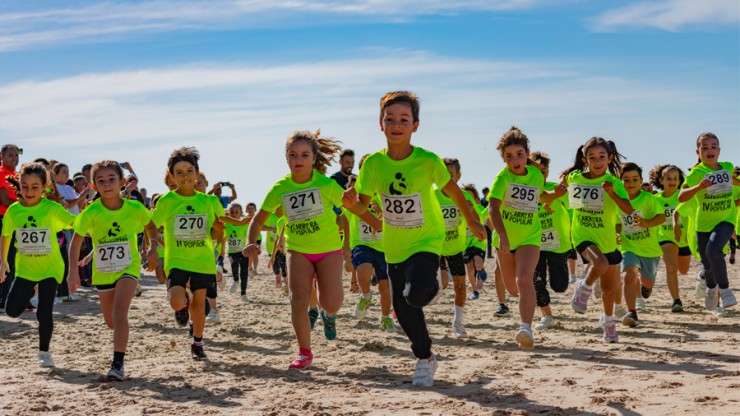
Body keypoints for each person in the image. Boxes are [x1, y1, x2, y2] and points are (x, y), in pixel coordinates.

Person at [342, 91, 486, 387]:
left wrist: (472, 219)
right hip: (394, 245)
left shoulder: (428, 160)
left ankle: (429, 286)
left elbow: (453, 191)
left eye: (404, 119)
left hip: (427, 239)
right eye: (390, 118)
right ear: (380, 124)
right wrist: (351, 204)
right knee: (405, 308)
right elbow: (364, 206)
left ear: (415, 125)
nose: (396, 124)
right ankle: (425, 357)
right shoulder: (373, 166)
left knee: (416, 293)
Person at [245, 130, 349, 370]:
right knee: (298, 300)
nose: (298, 159)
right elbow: (258, 220)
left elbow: (348, 212)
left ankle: (328, 315)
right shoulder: (280, 188)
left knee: (331, 303)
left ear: (314, 158)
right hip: (298, 250)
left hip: (328, 250)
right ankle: (304, 352)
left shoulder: (326, 185)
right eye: (293, 155)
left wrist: (348, 246)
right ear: (286, 158)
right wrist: (251, 241)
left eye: (304, 154)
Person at [67, 160, 159, 380]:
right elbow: (76, 242)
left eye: (112, 179)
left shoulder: (135, 208)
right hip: (104, 271)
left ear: (122, 182)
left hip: (128, 267)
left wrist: (153, 246)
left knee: (119, 314)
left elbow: (150, 225)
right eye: (101, 181)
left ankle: (117, 365)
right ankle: (127, 296)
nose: (107, 185)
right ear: (93, 186)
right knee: (111, 321)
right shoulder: (91, 213)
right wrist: (73, 271)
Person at [151, 147, 227, 361]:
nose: (185, 176)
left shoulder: (209, 202)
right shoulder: (167, 201)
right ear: (172, 176)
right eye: (179, 172)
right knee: (176, 302)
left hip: (202, 259)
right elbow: (152, 226)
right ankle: (182, 303)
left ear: (197, 173)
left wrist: (219, 231)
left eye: (189, 171)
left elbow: (215, 234)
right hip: (177, 259)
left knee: (199, 302)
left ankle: (198, 343)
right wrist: (153, 248)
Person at [0, 162, 75, 367]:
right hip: (26, 268)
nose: (29, 191)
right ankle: (32, 289)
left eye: (35, 187)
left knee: (44, 312)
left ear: (44, 187)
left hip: (50, 268)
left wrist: (92, 218)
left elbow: (73, 223)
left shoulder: (51, 208)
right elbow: (6, 234)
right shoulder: (14, 211)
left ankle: (44, 352)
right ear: (19, 185)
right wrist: (2, 260)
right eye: (25, 186)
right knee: (12, 310)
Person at [488, 127, 556, 348]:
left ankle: (525, 329)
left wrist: (556, 195)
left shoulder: (536, 175)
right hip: (506, 239)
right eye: (509, 156)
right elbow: (493, 209)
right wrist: (503, 235)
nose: (515, 160)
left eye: (519, 154)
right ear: (502, 158)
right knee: (512, 289)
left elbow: (539, 197)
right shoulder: (503, 178)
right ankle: (526, 307)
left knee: (524, 279)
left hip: (530, 235)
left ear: (527, 153)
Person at [563, 137, 633, 343]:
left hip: (607, 239)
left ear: (609, 158)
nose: (597, 161)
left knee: (609, 289)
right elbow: (559, 190)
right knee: (599, 263)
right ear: (585, 160)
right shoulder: (575, 177)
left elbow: (628, 209)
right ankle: (583, 288)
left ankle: (608, 322)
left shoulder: (615, 183)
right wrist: (550, 198)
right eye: (591, 157)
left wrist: (611, 194)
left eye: (602, 156)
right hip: (582, 234)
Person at [678, 132, 739, 310]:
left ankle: (726, 290)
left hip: (726, 219)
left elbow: (735, 182)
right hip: (703, 224)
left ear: (719, 150)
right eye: (705, 147)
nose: (709, 150)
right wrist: (699, 187)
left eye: (713, 147)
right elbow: (682, 197)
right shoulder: (697, 172)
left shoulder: (727, 167)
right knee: (707, 265)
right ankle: (712, 289)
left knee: (714, 250)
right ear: (698, 152)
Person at [346, 168, 395, 332]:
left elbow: (394, 216)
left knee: (385, 287)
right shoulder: (351, 201)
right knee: (363, 272)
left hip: (383, 247)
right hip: (362, 243)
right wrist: (344, 248)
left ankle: (385, 318)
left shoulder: (380, 196)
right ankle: (365, 295)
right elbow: (342, 222)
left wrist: (381, 213)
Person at [617, 162, 665, 327]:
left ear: (641, 180)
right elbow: (615, 222)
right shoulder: (617, 200)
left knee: (647, 281)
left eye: (635, 179)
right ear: (619, 181)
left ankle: (647, 287)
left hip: (650, 249)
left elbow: (661, 217)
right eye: (626, 179)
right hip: (628, 246)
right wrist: (616, 232)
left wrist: (645, 223)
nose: (630, 183)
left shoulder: (648, 199)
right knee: (629, 275)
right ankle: (632, 312)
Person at [529, 151, 572, 330]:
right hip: (533, 243)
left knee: (560, 286)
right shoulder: (526, 191)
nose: (541, 173)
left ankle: (560, 283)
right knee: (536, 280)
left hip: (558, 244)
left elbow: (574, 209)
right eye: (536, 170)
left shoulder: (558, 189)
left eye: (544, 170)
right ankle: (546, 315)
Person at [436, 158, 476, 339]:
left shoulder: (464, 197)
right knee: (439, 286)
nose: (447, 179)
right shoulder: (433, 196)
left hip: (455, 248)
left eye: (450, 175)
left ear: (458, 176)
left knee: (460, 286)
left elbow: (475, 219)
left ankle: (458, 322)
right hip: (434, 247)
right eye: (443, 175)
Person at [649, 164, 690, 312]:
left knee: (684, 270)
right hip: (665, 237)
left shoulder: (684, 196)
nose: (672, 181)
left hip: (685, 239)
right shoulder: (655, 199)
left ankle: (702, 278)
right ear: (661, 180)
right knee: (671, 267)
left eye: (675, 178)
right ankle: (676, 300)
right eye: (668, 178)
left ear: (680, 181)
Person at [461, 184, 491, 301]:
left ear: (475, 199)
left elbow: (488, 213)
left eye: (471, 198)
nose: (468, 200)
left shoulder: (479, 209)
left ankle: (481, 270)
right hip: (465, 243)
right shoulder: (460, 210)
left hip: (478, 241)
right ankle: (474, 291)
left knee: (477, 263)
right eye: (465, 197)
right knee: (469, 268)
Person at [0, 144, 20, 308]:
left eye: (16, 155)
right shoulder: (1, 173)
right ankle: (3, 300)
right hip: (3, 219)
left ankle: (8, 298)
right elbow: (4, 200)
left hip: (14, 221)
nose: (14, 158)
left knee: (12, 261)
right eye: (10, 155)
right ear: (2, 156)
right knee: (5, 260)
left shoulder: (15, 175)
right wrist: (26, 205)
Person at [225, 203, 251, 301]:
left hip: (243, 251)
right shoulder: (226, 225)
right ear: (228, 213)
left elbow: (248, 237)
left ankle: (243, 293)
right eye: (231, 212)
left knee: (244, 272)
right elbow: (222, 237)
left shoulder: (244, 225)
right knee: (234, 264)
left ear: (241, 213)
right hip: (232, 251)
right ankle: (235, 280)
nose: (234, 214)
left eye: (236, 212)